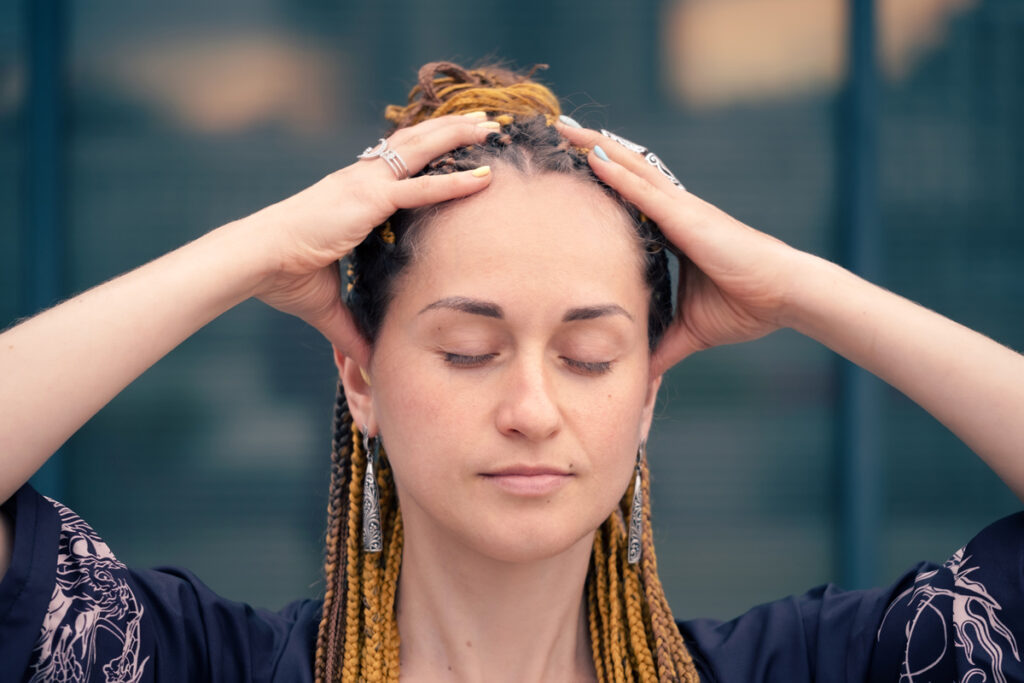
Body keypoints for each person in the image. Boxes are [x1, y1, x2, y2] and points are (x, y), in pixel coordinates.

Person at [1, 61, 1022, 682]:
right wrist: (248, 253)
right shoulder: (192, 663)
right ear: (359, 378)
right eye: (468, 350)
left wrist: (799, 286)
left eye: (590, 355)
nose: (532, 408)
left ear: (648, 393)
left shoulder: (808, 667)